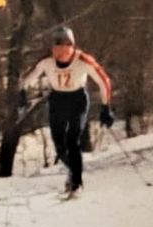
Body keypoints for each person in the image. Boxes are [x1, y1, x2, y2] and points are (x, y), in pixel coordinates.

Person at [19, 26, 114, 197]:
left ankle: (77, 184)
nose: (58, 49)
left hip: (77, 100)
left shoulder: (83, 60)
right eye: (55, 45)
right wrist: (22, 93)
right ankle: (72, 170)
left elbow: (104, 81)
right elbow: (28, 78)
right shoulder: (46, 61)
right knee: (60, 144)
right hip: (58, 100)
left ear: (71, 46)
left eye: (62, 45)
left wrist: (106, 107)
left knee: (72, 140)